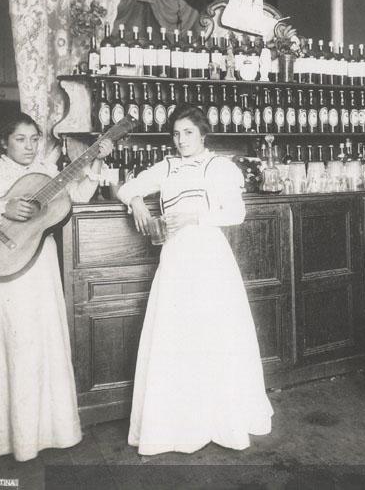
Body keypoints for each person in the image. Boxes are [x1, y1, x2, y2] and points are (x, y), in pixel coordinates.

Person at [0, 113, 113, 467]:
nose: (30, 146)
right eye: (20, 139)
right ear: (4, 142)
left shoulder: (47, 170)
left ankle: (44, 435)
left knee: (36, 343)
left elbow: (78, 195)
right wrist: (0, 207)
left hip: (38, 267)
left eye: (34, 139)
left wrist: (96, 159)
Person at [116, 104, 273, 455]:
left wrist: (194, 218)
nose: (181, 140)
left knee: (213, 333)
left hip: (209, 255)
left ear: (203, 134)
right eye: (176, 134)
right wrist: (137, 202)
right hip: (175, 257)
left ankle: (219, 421)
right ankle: (181, 425)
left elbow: (236, 213)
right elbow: (126, 188)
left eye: (188, 132)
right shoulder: (167, 167)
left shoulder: (220, 167)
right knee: (178, 333)